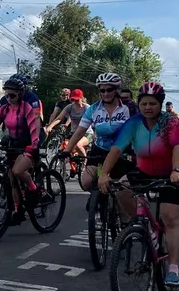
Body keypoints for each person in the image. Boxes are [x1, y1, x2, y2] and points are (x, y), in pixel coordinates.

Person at [99, 81, 179, 286]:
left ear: (160, 104)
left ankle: (173, 268)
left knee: (170, 216)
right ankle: (143, 225)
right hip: (144, 170)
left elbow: (178, 148)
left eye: (153, 103)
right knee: (121, 189)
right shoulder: (133, 123)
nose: (148, 107)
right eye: (144, 103)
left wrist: (175, 171)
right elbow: (116, 149)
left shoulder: (171, 123)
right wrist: (104, 174)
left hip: (171, 173)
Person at [57, 73, 133, 220]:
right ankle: (98, 196)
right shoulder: (93, 109)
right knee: (86, 182)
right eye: (102, 90)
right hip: (100, 151)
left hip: (121, 152)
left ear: (117, 90)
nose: (105, 93)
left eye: (109, 89)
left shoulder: (127, 108)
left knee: (120, 192)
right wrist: (67, 151)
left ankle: (124, 222)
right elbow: (80, 132)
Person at [0, 75, 42, 225]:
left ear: (20, 93)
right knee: (11, 178)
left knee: (17, 171)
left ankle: (34, 189)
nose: (8, 98)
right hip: (14, 142)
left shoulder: (27, 106)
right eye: (6, 94)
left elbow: (35, 125)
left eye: (12, 95)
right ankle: (17, 210)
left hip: (28, 143)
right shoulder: (5, 108)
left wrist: (34, 144)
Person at [47, 88, 88, 157]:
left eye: (77, 100)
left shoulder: (87, 108)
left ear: (81, 98)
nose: (74, 102)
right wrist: (50, 126)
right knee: (64, 148)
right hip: (74, 132)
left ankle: (86, 162)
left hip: (86, 133)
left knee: (77, 146)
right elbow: (59, 118)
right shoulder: (69, 107)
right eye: (72, 100)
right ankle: (65, 165)